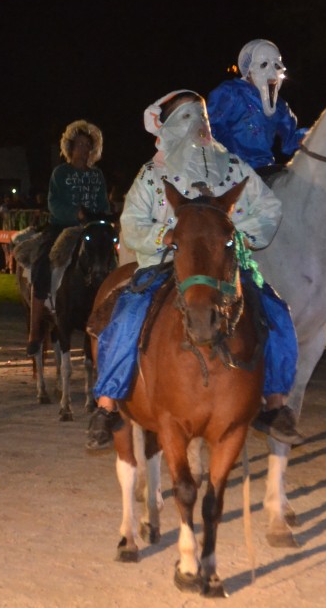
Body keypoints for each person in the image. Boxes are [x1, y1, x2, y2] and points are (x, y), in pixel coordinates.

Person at [86, 90, 303, 450]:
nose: (197, 127)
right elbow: (132, 221)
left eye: (201, 117)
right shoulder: (153, 174)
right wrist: (166, 235)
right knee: (125, 314)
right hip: (165, 265)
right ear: (168, 127)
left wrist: (237, 236)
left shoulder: (233, 168)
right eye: (186, 118)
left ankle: (275, 403)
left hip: (223, 266)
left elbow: (269, 208)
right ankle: (107, 403)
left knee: (277, 312)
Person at [27, 120, 110, 353]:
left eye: (87, 145)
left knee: (108, 262)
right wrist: (75, 213)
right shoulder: (60, 173)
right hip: (62, 226)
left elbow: (103, 202)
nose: (84, 150)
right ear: (71, 148)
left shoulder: (97, 175)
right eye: (80, 145)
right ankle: (35, 330)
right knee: (41, 262)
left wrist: (104, 214)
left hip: (93, 227)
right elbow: (53, 203)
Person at [206, 39, 307, 175]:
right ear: (249, 71)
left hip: (264, 169)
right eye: (264, 65)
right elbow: (210, 127)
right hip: (231, 171)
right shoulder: (232, 93)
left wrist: (312, 135)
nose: (272, 72)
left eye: (277, 66)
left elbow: (290, 138)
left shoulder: (280, 106)